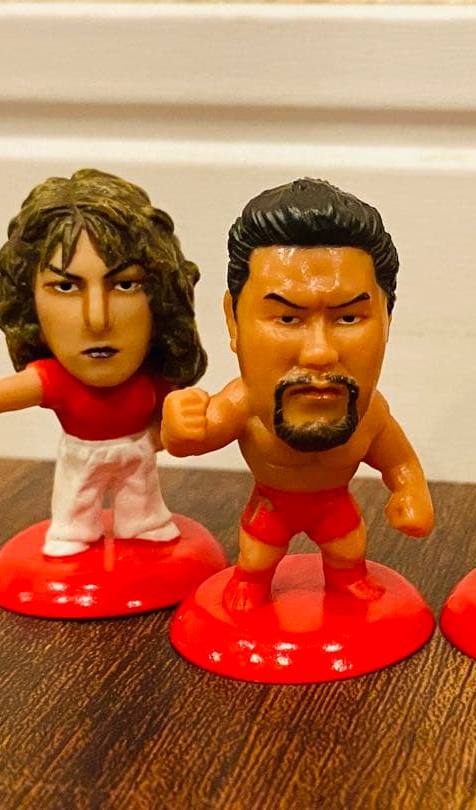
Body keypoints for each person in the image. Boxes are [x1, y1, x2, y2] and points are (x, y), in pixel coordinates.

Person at [161, 177, 433, 612]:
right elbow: (193, 439)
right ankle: (251, 582)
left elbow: (399, 462)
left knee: (348, 549)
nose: (319, 353)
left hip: (335, 505)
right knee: (257, 555)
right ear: (233, 320)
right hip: (272, 504)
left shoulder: (371, 415)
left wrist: (411, 493)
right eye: (288, 319)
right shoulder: (244, 404)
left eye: (348, 318)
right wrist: (180, 423)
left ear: (387, 320)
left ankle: (348, 579)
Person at [0, 169, 206, 557]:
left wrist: (180, 426)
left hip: (137, 455)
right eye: (66, 286)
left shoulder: (154, 377)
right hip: (81, 459)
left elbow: (179, 418)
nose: (97, 319)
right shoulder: (57, 379)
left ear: (161, 295)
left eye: (125, 284)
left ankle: (143, 522)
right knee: (76, 505)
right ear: (29, 301)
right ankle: (72, 530)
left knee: (142, 502)